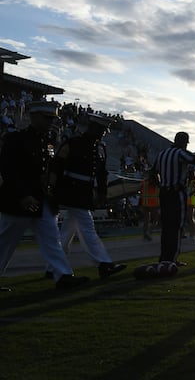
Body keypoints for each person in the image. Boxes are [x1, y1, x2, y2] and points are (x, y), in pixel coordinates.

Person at [0, 101, 90, 290]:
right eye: (47, 118)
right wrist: (22, 195)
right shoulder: (15, 139)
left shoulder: (46, 141)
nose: (51, 122)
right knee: (5, 242)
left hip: (39, 200)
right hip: (17, 202)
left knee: (52, 239)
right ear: (34, 116)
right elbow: (9, 171)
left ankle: (63, 275)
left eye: (53, 119)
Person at [49, 112, 127, 279]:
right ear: (93, 128)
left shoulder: (100, 148)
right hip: (70, 190)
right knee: (88, 227)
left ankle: (52, 266)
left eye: (104, 131)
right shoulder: (73, 143)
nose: (103, 133)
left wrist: (101, 193)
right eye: (101, 130)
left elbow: (101, 174)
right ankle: (103, 264)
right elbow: (56, 167)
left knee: (69, 229)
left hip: (84, 191)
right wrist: (53, 190)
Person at [150, 132, 195, 271]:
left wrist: (161, 184)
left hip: (164, 192)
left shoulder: (162, 154)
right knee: (177, 225)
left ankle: (164, 257)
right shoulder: (180, 153)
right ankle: (172, 258)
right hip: (176, 192)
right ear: (183, 142)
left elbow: (152, 172)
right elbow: (194, 159)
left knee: (166, 226)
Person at [140, 170, 159, 241]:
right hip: (153, 203)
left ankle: (145, 234)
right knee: (156, 219)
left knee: (146, 220)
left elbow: (140, 190)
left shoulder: (144, 182)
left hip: (144, 202)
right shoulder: (156, 184)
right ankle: (149, 231)